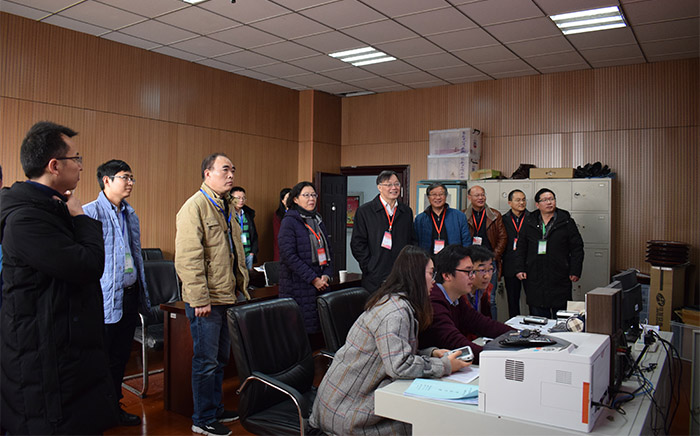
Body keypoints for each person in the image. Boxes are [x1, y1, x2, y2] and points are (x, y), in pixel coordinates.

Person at [0, 121, 118, 434]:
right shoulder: (26, 219)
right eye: (75, 159)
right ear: (54, 166)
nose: (81, 166)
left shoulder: (51, 206)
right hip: (44, 361)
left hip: (65, 349)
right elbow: (88, 265)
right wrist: (81, 218)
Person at [310, 246, 470, 435]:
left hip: (348, 400)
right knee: (426, 423)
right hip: (346, 412)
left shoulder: (395, 302)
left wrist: (432, 353)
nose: (434, 280)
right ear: (416, 276)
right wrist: (444, 366)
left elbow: (396, 352)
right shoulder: (395, 313)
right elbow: (399, 366)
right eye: (430, 273)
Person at [175, 153, 250, 436]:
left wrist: (241, 288)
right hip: (207, 300)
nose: (231, 175)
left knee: (219, 359)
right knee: (205, 361)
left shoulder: (227, 206)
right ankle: (202, 418)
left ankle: (215, 408)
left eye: (233, 170)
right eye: (225, 170)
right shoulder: (194, 207)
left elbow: (235, 252)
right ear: (207, 174)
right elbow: (188, 259)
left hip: (227, 295)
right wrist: (199, 299)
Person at [83, 159, 150, 426]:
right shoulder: (90, 213)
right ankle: (95, 412)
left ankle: (113, 408)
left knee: (121, 356)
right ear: (106, 180)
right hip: (103, 299)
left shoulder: (130, 214)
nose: (130, 182)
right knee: (99, 359)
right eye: (125, 177)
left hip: (129, 294)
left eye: (132, 177)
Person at [419, 245, 514, 363]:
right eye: (468, 272)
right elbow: (455, 342)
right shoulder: (433, 301)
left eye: (473, 271)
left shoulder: (456, 299)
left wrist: (518, 335)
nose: (473, 277)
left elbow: (482, 323)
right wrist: (494, 359)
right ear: (447, 275)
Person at [515, 188, 584, 319]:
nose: (549, 202)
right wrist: (520, 268)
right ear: (537, 204)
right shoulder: (529, 222)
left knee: (562, 318)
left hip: (559, 274)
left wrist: (575, 270)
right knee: (538, 318)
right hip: (535, 275)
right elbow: (521, 247)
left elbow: (577, 248)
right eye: (545, 200)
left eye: (551, 199)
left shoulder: (566, 221)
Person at [278, 182, 333, 333]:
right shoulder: (289, 221)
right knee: (301, 332)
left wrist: (326, 275)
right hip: (298, 287)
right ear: (295, 199)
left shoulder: (317, 220)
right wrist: (313, 279)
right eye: (306, 195)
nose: (311, 199)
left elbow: (328, 251)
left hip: (321, 285)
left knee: (320, 331)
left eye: (314, 195)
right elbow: (289, 256)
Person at [350, 170, 414, 292]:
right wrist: (370, 266)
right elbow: (357, 243)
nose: (394, 188)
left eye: (397, 184)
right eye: (389, 184)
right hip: (375, 277)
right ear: (379, 187)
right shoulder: (365, 211)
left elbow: (411, 240)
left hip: (402, 275)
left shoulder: (406, 211)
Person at [464, 185, 506, 320]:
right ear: (469, 197)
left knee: (490, 299)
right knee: (470, 298)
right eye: (477, 195)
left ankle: (492, 328)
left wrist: (493, 256)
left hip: (489, 262)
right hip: (471, 263)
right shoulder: (463, 215)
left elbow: (503, 238)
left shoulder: (495, 215)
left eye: (483, 195)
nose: (481, 198)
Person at [414, 182, 471, 254]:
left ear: (446, 196)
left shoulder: (459, 216)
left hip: (453, 258)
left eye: (441, 194)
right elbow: (416, 243)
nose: (438, 197)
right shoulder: (420, 219)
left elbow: (466, 241)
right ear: (428, 197)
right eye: (434, 194)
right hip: (429, 258)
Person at [501, 189, 529, 318]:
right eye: (518, 200)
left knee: (532, 300)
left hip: (528, 264)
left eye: (523, 200)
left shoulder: (532, 218)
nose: (521, 203)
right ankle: (513, 326)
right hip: (510, 264)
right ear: (509, 203)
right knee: (512, 300)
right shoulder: (503, 220)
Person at [465, 245, 497, 318]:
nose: (487, 276)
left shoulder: (483, 291)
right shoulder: (459, 295)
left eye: (490, 269)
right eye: (482, 270)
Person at [231, 186, 258, 270]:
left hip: (248, 254)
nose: (241, 200)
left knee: (249, 276)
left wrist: (252, 253)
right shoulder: (228, 215)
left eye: (243, 198)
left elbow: (254, 235)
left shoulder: (248, 214)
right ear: (231, 199)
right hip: (235, 255)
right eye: (238, 198)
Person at [272, 187, 291, 261]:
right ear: (282, 201)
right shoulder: (278, 215)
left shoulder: (298, 213)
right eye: (287, 198)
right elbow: (277, 234)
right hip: (282, 247)